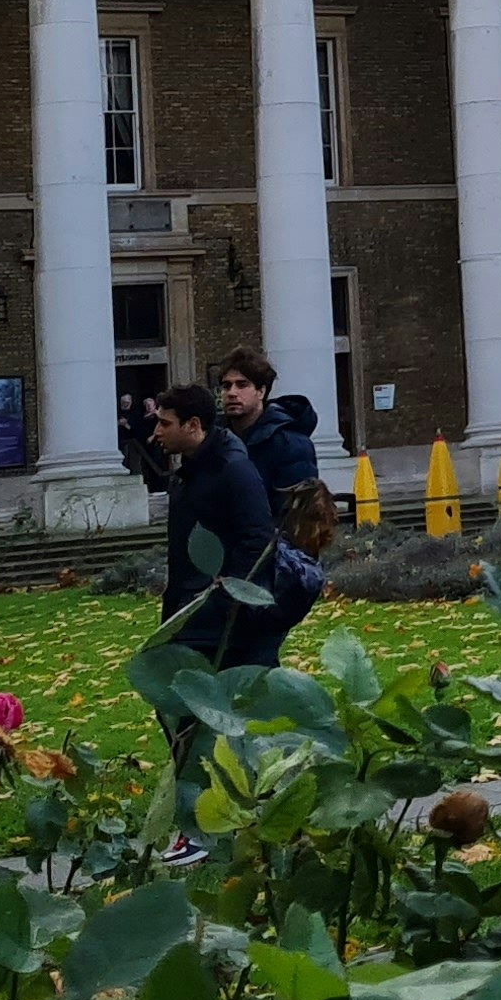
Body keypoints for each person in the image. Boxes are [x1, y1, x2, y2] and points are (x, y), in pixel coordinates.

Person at [143, 381, 274, 857]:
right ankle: (211, 819)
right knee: (184, 717)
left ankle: (204, 827)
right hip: (190, 612)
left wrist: (223, 599)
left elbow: (257, 540)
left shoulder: (232, 470)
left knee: (201, 723)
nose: (156, 432)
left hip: (218, 620)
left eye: (165, 423)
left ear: (193, 426)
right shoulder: (192, 471)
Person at [216, 345, 321, 504]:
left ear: (261, 391)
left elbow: (296, 510)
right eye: (226, 386)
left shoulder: (291, 445)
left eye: (242, 385)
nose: (232, 393)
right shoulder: (214, 439)